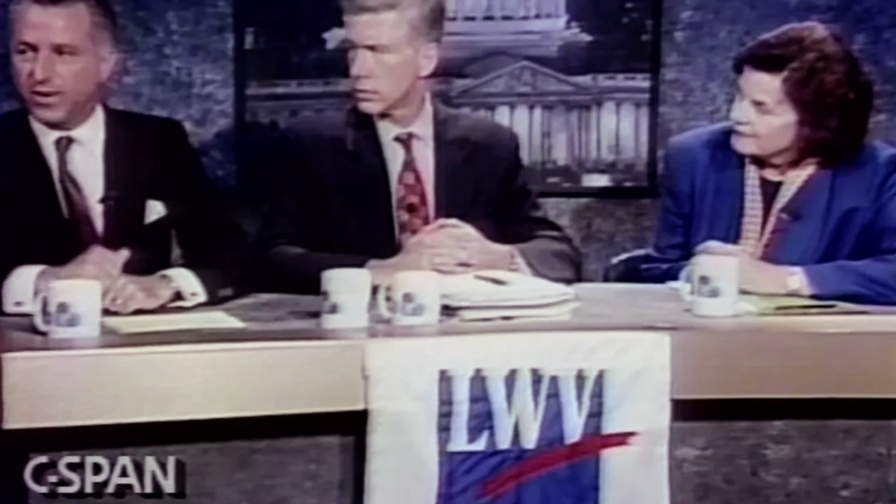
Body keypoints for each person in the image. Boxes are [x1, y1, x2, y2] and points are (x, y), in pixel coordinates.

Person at [253, 0, 581, 294]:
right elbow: (270, 259)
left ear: (426, 59)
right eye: (352, 50)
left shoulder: (489, 145)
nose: (357, 70)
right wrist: (379, 271)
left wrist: (498, 257)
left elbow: (559, 255)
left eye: (378, 51)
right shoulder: (308, 145)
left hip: (466, 340)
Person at [0, 0, 250, 315]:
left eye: (63, 53)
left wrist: (166, 284)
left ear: (107, 64)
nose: (39, 74)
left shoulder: (159, 140)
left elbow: (232, 255)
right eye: (25, 52)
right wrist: (42, 280)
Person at [644, 21, 896, 305]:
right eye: (739, 96)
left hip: (827, 344)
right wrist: (702, 272)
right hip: (708, 337)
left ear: (817, 120)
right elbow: (657, 269)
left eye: (761, 107)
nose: (737, 114)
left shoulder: (882, 174)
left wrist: (786, 279)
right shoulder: (693, 157)